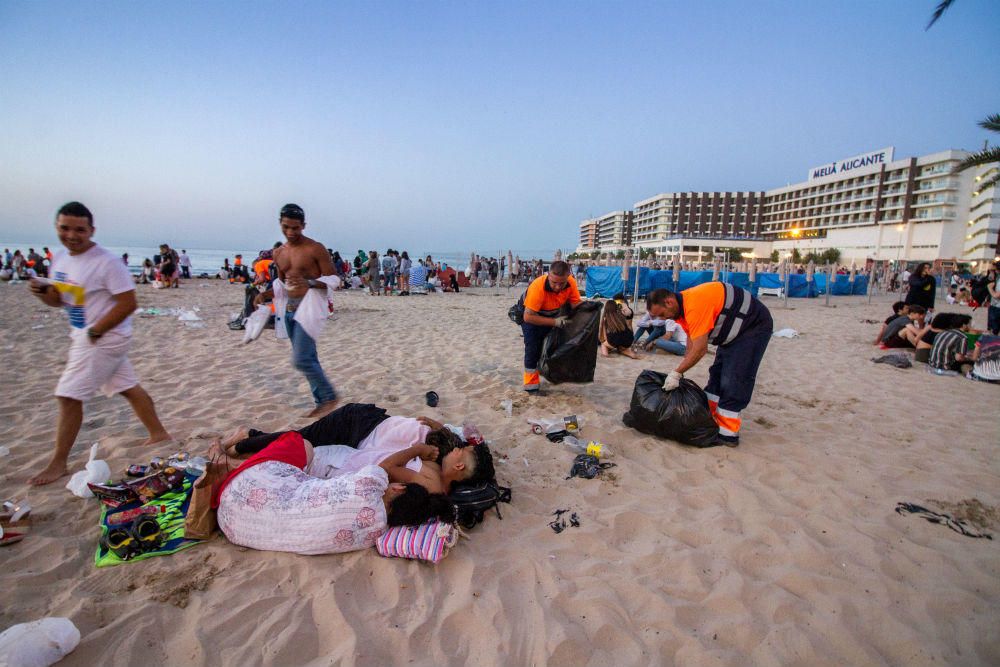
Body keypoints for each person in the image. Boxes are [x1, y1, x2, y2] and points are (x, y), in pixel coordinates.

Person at [26, 202, 170, 485]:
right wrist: (42, 294)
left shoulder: (107, 262)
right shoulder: (60, 260)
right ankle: (159, 434)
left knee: (68, 396)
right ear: (57, 227)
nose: (72, 235)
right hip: (86, 334)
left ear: (91, 230)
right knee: (127, 387)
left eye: (80, 230)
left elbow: (128, 303)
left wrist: (96, 332)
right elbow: (61, 300)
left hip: (103, 337)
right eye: (65, 228)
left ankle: (58, 463)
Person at [213, 431, 458, 555]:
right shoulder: (373, 534)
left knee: (301, 443)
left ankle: (234, 451)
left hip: (238, 491)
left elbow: (387, 466)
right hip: (235, 527)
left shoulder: (370, 484)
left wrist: (415, 449)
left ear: (398, 487)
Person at [212, 403, 495, 495]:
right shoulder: (447, 448)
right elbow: (471, 440)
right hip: (360, 424)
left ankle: (248, 439)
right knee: (300, 438)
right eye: (461, 448)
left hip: (359, 439)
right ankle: (245, 441)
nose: (460, 448)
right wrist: (439, 427)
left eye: (462, 452)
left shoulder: (437, 466)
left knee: (299, 442)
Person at [646, 282, 773, 446]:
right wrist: (682, 370)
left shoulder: (694, 305)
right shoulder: (681, 311)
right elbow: (691, 345)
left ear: (669, 302)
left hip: (753, 327)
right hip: (732, 334)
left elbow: (700, 350)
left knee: (735, 378)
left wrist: (676, 373)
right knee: (717, 375)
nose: (663, 319)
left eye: (662, 314)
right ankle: (711, 420)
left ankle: (728, 435)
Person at [254, 204, 339, 418]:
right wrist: (265, 296)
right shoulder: (279, 252)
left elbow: (335, 279)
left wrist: (309, 282)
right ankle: (322, 403)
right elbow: (281, 284)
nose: (291, 232)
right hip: (289, 309)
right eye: (286, 227)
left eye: (296, 228)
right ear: (280, 224)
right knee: (308, 357)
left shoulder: (315, 249)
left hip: (310, 307)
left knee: (301, 359)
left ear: (304, 226)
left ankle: (329, 397)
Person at [520, 260, 583, 393]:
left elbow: (576, 305)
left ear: (568, 277)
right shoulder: (538, 287)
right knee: (533, 348)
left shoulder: (571, 283)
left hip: (553, 312)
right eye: (554, 283)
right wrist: (555, 322)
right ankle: (531, 387)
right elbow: (528, 317)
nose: (557, 287)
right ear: (548, 275)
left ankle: (550, 373)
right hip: (531, 315)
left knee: (554, 346)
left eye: (562, 283)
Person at [987, 263, 1000, 335]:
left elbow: (996, 295)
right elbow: (990, 278)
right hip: (995, 307)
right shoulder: (997, 278)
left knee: (993, 332)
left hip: (997, 308)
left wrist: (989, 288)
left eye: (993, 270)